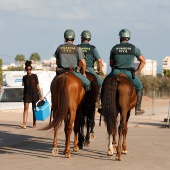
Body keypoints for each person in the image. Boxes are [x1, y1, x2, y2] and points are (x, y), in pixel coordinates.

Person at [104, 29, 146, 115]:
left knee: (104, 83)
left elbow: (111, 64)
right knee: (139, 86)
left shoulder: (114, 48)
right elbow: (143, 61)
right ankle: (138, 107)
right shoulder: (134, 48)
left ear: (120, 37)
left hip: (116, 72)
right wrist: (137, 71)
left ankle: (102, 105)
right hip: (129, 73)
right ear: (128, 37)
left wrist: (115, 70)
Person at [78, 30, 103, 104]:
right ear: (89, 38)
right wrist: (99, 70)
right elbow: (100, 60)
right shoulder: (93, 48)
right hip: (89, 69)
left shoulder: (77, 47)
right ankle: (97, 100)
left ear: (82, 38)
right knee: (100, 83)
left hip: (79, 69)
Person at [19, 60, 42, 129]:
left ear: (31, 69)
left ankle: (34, 123)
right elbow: (24, 87)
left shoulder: (35, 76)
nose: (29, 70)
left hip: (34, 94)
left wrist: (40, 95)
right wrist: (23, 95)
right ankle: (24, 124)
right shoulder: (24, 77)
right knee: (25, 108)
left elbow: (37, 86)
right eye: (27, 69)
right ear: (26, 69)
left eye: (30, 69)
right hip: (27, 94)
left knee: (34, 109)